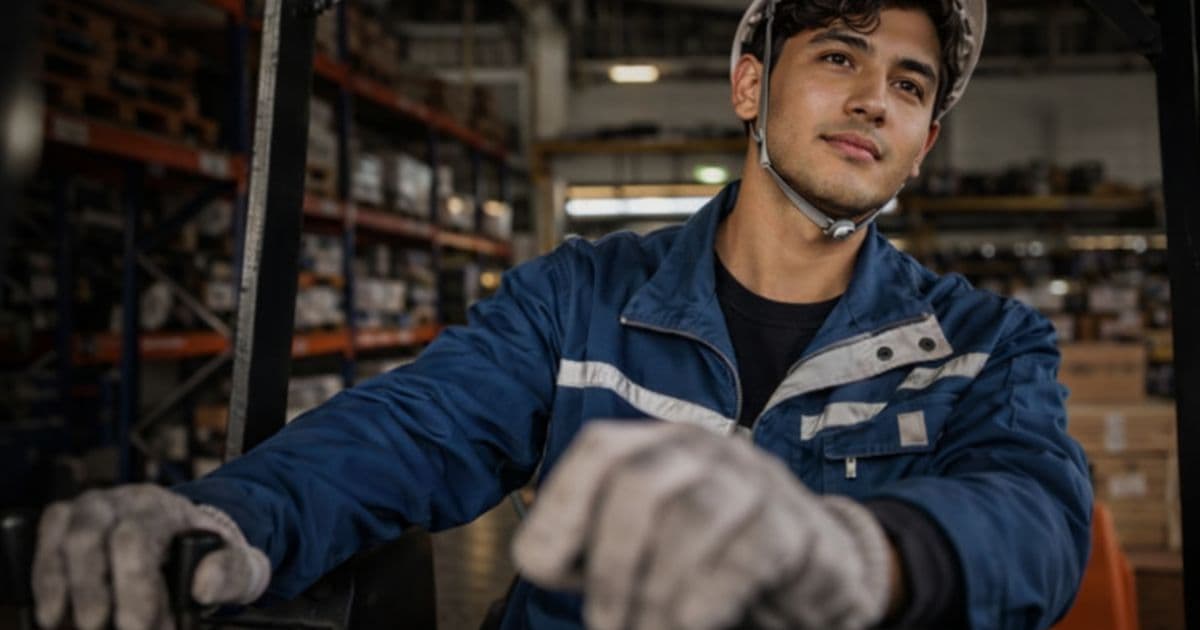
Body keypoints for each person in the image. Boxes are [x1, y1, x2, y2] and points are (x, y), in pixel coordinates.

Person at [32, 0, 1093, 628]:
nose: (873, 99)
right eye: (838, 56)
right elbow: (413, 427)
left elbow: (1036, 521)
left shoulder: (984, 347)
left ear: (924, 142)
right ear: (748, 85)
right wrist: (234, 514)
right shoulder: (581, 299)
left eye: (910, 85)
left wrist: (859, 554)